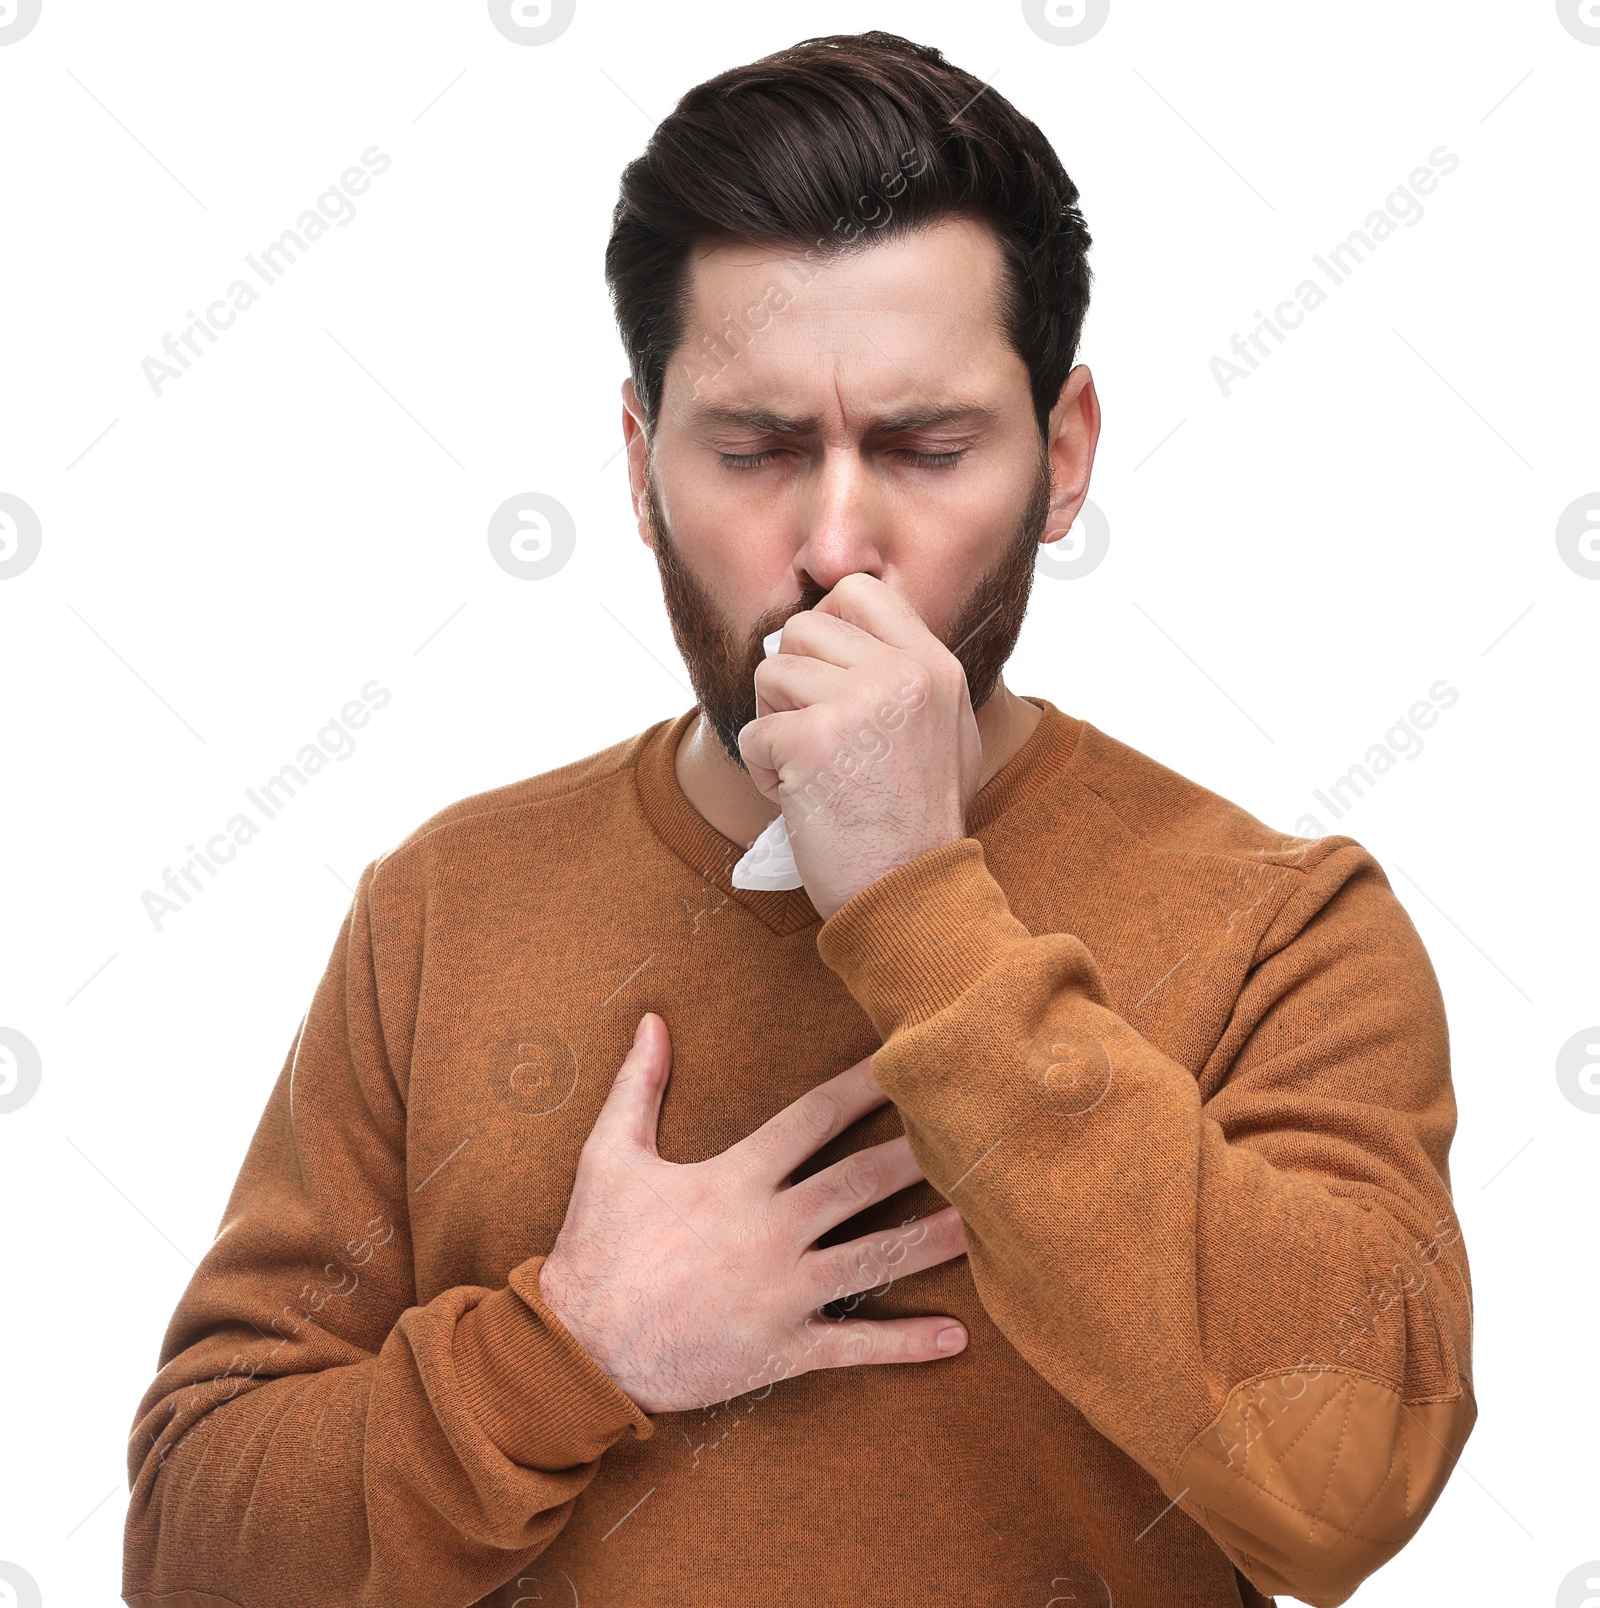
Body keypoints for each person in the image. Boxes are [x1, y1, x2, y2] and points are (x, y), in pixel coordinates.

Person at [123, 31, 1474, 1608]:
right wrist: (570, 1346)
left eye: (926, 447)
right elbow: (193, 1557)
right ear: (638, 468)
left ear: (1065, 455)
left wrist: (916, 898)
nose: (837, 547)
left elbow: (1349, 1490)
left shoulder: (1283, 924)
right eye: (756, 449)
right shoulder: (442, 907)